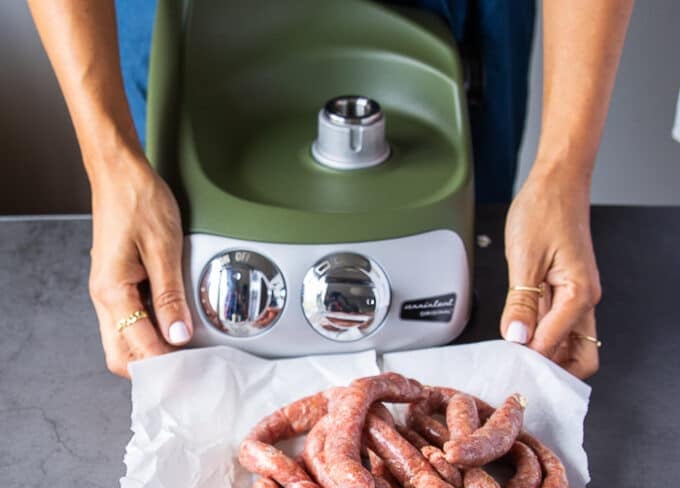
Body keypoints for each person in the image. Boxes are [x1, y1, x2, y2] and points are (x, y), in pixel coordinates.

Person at [28, 0, 633, 380]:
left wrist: (563, 174)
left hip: (449, 20)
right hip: (186, 23)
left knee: (462, 317)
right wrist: (111, 164)